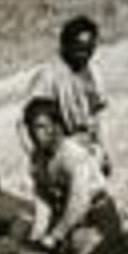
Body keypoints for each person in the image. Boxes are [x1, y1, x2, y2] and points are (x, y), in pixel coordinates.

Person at [23, 98, 119, 254]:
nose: (35, 134)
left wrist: (54, 236)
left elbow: (79, 203)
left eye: (41, 127)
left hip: (97, 221)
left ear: (56, 127)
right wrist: (38, 234)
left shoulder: (73, 156)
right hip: (69, 223)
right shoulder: (38, 158)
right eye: (32, 128)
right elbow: (43, 199)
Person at [27, 15, 108, 170]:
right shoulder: (48, 76)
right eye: (79, 48)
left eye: (90, 48)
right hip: (60, 153)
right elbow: (38, 123)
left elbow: (98, 116)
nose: (85, 54)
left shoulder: (93, 74)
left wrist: (102, 150)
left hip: (88, 148)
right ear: (66, 45)